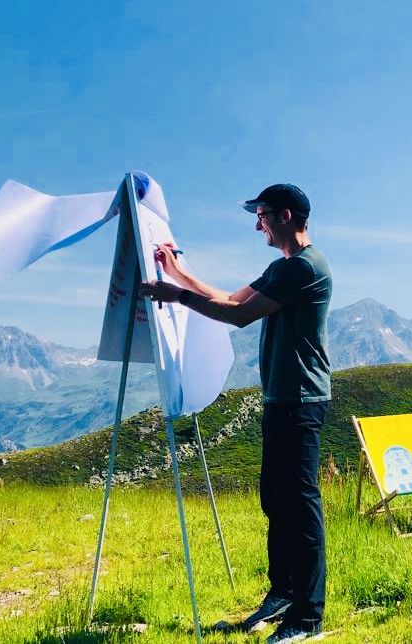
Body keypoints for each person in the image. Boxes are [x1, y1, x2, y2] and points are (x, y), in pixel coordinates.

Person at [140, 183, 331, 643]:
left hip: (301, 402)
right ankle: (283, 593)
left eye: (261, 214)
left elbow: (236, 316)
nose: (256, 223)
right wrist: (180, 272)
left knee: (301, 507)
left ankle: (307, 618)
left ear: (285, 216)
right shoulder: (282, 266)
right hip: (283, 400)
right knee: (276, 500)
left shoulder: (305, 268)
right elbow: (230, 297)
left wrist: (175, 293)